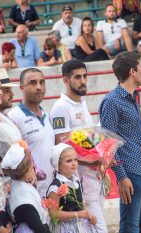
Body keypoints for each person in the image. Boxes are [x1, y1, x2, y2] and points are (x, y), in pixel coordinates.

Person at [99, 52, 141, 233]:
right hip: (131, 174)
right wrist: (122, 177)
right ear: (133, 71)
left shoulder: (132, 97)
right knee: (130, 228)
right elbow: (108, 143)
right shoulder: (111, 101)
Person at [50, 60, 107, 232]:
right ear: (66, 80)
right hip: (78, 178)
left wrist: (103, 153)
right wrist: (89, 163)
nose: (83, 81)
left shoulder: (81, 102)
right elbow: (62, 150)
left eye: (85, 76)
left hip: (93, 174)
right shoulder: (61, 108)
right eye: (77, 77)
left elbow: (88, 139)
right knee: (99, 228)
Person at [8, 68, 55, 198]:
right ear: (22, 88)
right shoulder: (14, 117)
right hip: (31, 192)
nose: (39, 87)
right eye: (33, 83)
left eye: (42, 82)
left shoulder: (46, 114)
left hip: (52, 190)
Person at [46, 143, 97, 232]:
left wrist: (89, 215)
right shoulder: (55, 186)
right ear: (58, 165)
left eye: (75, 160)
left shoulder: (76, 181)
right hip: (64, 228)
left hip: (81, 226)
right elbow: (53, 213)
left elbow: (81, 205)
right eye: (69, 161)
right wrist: (78, 214)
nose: (74, 163)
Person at [1, 142, 49, 233]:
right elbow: (38, 227)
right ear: (26, 170)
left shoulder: (20, 185)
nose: (34, 168)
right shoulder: (22, 198)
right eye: (32, 167)